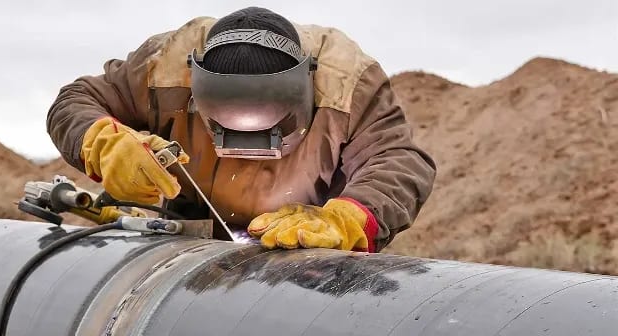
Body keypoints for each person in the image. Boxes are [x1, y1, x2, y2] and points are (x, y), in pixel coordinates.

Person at [46, 7, 436, 252]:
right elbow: (76, 101)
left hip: (304, 255)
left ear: (307, 84)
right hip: (186, 240)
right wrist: (104, 142)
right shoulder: (162, 68)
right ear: (197, 86)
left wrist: (349, 218)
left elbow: (397, 160)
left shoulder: (348, 85)